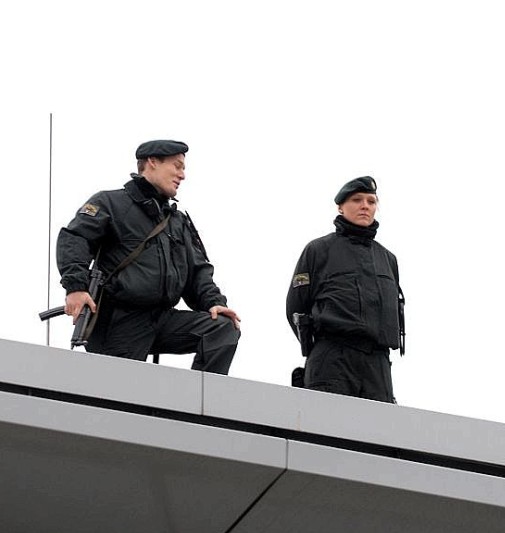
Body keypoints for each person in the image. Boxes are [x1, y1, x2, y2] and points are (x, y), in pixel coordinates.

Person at [56, 139, 241, 374]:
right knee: (120, 397)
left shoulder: (177, 221)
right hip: (121, 321)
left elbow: (197, 272)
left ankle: (194, 404)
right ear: (152, 162)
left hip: (163, 319)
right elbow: (75, 238)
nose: (182, 175)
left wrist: (215, 303)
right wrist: (75, 286)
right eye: (177, 166)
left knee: (223, 329)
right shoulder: (111, 203)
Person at [286, 175, 404, 403]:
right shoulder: (318, 250)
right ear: (340, 207)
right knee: (324, 431)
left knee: (376, 435)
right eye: (357, 200)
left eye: (371, 201)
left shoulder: (388, 259)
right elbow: (295, 307)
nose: (365, 206)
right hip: (333, 359)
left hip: (377, 366)